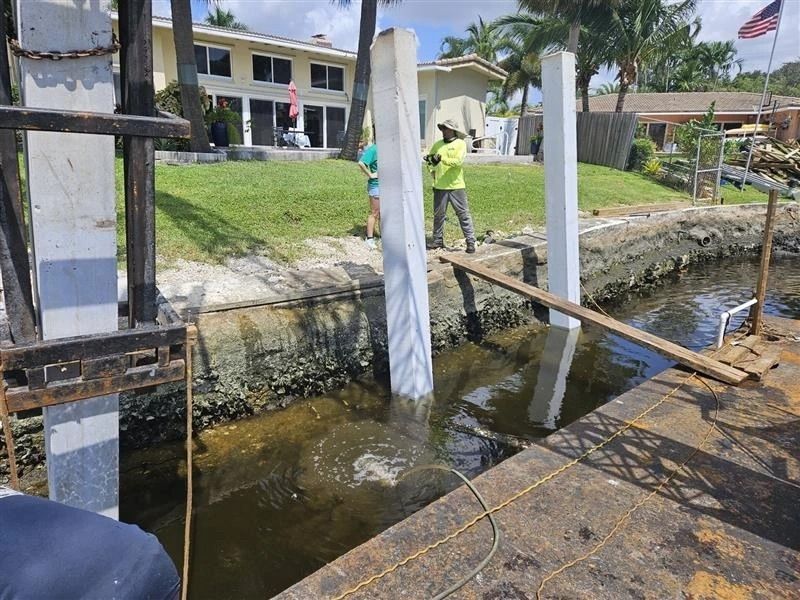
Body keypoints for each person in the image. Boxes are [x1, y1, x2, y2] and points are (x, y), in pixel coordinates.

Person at [424, 119, 476, 254]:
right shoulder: (437, 145)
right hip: (439, 186)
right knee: (438, 215)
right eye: (442, 129)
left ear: (453, 130)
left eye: (446, 129)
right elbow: (429, 160)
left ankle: (470, 241)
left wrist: (442, 159)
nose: (443, 131)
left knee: (463, 214)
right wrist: (431, 169)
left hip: (456, 186)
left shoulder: (460, 144)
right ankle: (437, 241)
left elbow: (458, 162)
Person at [358, 140, 379, 249]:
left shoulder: (388, 149)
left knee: (384, 213)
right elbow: (361, 163)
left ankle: (382, 235)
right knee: (375, 213)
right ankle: (369, 238)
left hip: (387, 186)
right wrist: (371, 175)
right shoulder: (374, 149)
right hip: (376, 186)